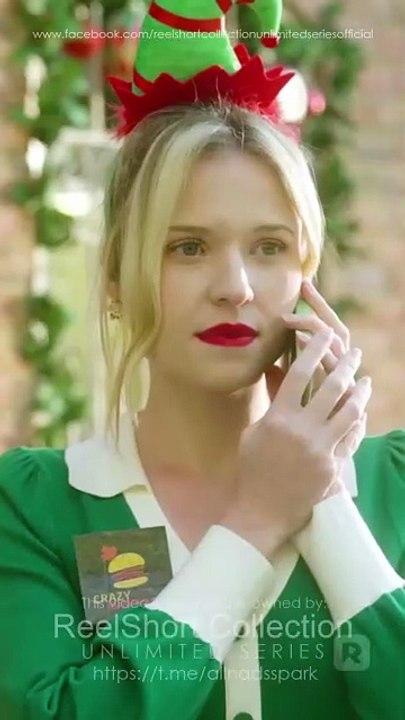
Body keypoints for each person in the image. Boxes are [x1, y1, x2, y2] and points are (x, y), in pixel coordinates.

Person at [0, 1, 404, 719]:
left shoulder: (393, 485)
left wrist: (323, 498)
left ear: (306, 275)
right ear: (117, 279)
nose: (235, 287)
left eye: (269, 247)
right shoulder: (31, 506)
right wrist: (254, 521)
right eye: (187, 247)